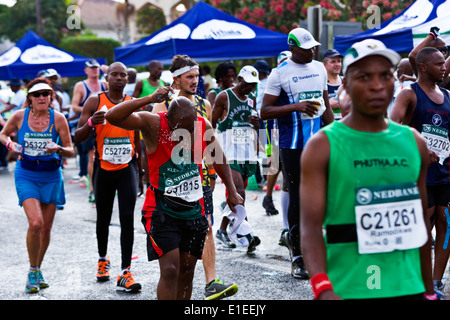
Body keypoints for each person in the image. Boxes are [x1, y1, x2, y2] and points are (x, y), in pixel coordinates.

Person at [300, 39, 435, 300]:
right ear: (346, 85)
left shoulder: (414, 142)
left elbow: (420, 225)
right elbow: (310, 228)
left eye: (385, 75)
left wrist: (429, 293)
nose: (376, 85)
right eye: (364, 77)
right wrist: (322, 289)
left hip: (409, 289)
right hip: (348, 290)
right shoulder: (322, 146)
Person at [105, 91, 243, 300]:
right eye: (180, 129)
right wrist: (149, 99)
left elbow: (218, 156)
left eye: (190, 129)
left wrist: (231, 191)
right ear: (168, 119)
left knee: (187, 271)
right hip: (162, 209)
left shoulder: (202, 125)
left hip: (193, 209)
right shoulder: (153, 123)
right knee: (170, 269)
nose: (186, 135)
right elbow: (112, 116)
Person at [152, 54, 238, 300]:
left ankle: (211, 281)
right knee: (179, 247)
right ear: (176, 80)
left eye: (197, 76)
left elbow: (208, 142)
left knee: (207, 226)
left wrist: (213, 174)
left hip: (200, 177)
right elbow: (151, 140)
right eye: (189, 77)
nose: (195, 81)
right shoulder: (163, 105)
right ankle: (178, 281)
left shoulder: (204, 104)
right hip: (171, 183)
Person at [260, 27, 334, 279]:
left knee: (326, 193)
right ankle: (298, 256)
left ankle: (320, 247)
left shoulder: (320, 68)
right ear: (292, 48)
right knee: (299, 195)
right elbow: (265, 111)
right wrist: (297, 106)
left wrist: (336, 135)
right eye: (306, 48)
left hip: (319, 141)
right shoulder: (279, 74)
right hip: (292, 144)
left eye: (313, 47)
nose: (312, 51)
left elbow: (324, 104)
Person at [0, 78, 74, 293]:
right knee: (36, 223)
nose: (42, 97)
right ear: (29, 98)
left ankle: (37, 268)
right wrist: (10, 143)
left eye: (46, 94)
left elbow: (71, 150)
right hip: (26, 174)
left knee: (46, 228)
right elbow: (3, 133)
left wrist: (58, 148)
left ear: (51, 97)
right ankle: (33, 270)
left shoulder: (58, 119)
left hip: (51, 175)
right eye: (37, 94)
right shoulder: (19, 116)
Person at [74, 62, 143, 293]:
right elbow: (78, 137)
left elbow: (138, 139)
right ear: (107, 77)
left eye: (124, 74)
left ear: (127, 79)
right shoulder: (95, 100)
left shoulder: (131, 103)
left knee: (126, 218)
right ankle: (103, 258)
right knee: (103, 218)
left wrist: (141, 172)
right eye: (115, 74)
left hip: (127, 168)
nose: (120, 78)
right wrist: (92, 122)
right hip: (103, 169)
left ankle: (126, 271)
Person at [390, 46, 450, 298]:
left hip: (445, 174)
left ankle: (436, 282)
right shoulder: (409, 94)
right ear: (423, 67)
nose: (444, 67)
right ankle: (418, 279)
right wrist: (418, 149)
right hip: (419, 174)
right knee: (423, 226)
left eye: (444, 63)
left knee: (445, 222)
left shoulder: (447, 94)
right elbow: (391, 128)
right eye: (438, 64)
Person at [212, 65, 261, 253]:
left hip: (247, 153)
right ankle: (247, 235)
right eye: (248, 83)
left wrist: (258, 125)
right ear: (239, 79)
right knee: (238, 190)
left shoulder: (252, 99)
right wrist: (211, 151)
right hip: (228, 153)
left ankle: (223, 229)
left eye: (254, 85)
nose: (251, 88)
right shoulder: (224, 97)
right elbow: (212, 123)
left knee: (237, 195)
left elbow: (256, 126)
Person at [70, 59, 108, 203]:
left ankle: (106, 187)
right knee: (92, 157)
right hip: (89, 125)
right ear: (86, 70)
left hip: (104, 126)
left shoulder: (105, 85)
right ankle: (93, 189)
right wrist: (91, 110)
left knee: (105, 156)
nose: (95, 70)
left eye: (96, 68)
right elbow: (74, 106)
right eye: (91, 68)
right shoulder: (81, 86)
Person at [322, 49, 343, 120]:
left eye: (339, 61)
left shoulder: (346, 82)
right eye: (333, 62)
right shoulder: (320, 83)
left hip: (345, 127)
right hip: (328, 127)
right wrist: (328, 105)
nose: (337, 64)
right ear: (324, 64)